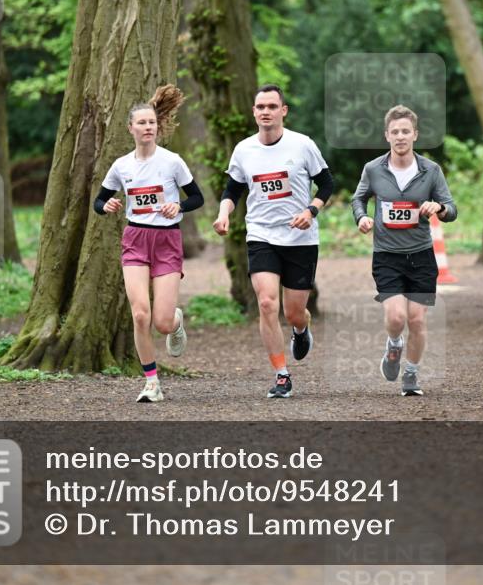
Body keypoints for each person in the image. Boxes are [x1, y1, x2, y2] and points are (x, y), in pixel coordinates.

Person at [213, 84, 333, 398]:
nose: (266, 112)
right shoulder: (244, 150)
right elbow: (232, 190)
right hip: (261, 234)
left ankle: (301, 328)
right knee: (267, 303)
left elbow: (327, 184)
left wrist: (311, 211)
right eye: (261, 107)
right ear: (254, 112)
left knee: (293, 312)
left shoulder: (302, 145)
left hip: (300, 238)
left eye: (272, 106)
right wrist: (224, 214)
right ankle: (281, 375)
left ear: (283, 111)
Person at [93, 85, 204, 403]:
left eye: (151, 123)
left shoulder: (172, 162)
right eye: (141, 123)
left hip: (167, 240)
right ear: (130, 128)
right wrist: (107, 205)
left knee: (162, 322)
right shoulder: (121, 166)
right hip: (136, 239)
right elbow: (99, 201)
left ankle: (176, 321)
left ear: (157, 127)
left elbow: (197, 197)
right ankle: (151, 383)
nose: (147, 127)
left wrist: (178, 206)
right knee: (140, 315)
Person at [351, 105, 457, 396]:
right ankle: (394, 344)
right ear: (387, 135)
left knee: (417, 320)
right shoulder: (373, 169)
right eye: (395, 131)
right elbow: (358, 198)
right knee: (397, 318)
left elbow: (451, 209)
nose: (400, 136)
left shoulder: (430, 171)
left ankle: (411, 374)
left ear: (415, 135)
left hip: (421, 255)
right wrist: (361, 217)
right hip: (387, 256)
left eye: (405, 131)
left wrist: (439, 207)